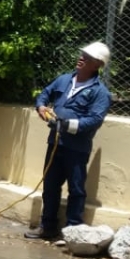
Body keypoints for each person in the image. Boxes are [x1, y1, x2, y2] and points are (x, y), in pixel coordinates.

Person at [25, 42, 112, 241]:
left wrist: (67, 125)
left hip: (76, 148)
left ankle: (73, 232)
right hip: (55, 144)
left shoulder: (100, 93)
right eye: (82, 54)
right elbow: (44, 94)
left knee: (76, 189)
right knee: (50, 186)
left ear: (98, 64)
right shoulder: (64, 80)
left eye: (87, 57)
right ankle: (48, 227)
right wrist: (41, 107)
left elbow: (95, 120)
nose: (81, 58)